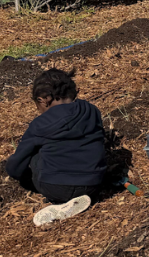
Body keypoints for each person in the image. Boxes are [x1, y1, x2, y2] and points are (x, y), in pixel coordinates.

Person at [5, 69, 106, 226]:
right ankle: (77, 198)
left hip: (57, 187)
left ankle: (60, 202)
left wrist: (17, 173)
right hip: (94, 182)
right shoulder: (91, 110)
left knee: (34, 156)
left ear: (43, 100)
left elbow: (15, 167)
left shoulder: (41, 124)